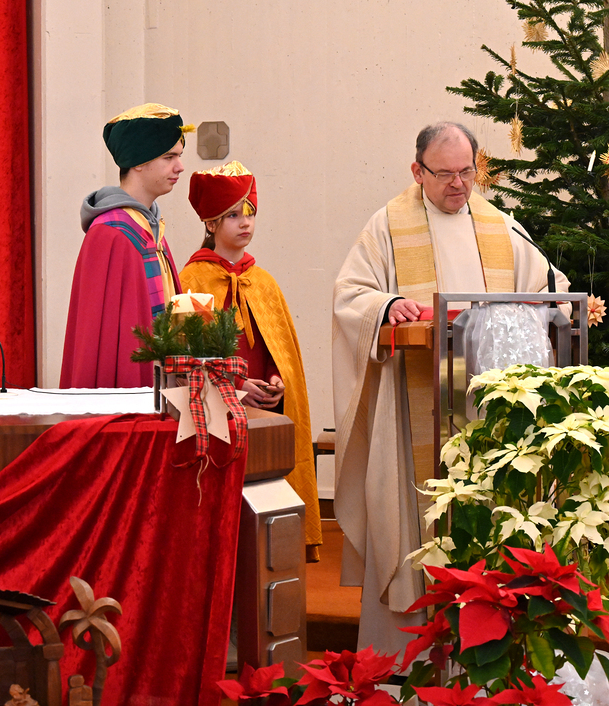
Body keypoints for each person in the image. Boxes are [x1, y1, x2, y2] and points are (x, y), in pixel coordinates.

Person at [333, 122, 570, 653]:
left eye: (467, 171)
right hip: (417, 400)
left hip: (486, 408)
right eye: (445, 174)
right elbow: (350, 293)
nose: (459, 184)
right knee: (417, 515)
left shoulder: (500, 227)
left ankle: (490, 642)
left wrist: (550, 308)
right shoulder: (388, 226)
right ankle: (410, 652)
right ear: (417, 171)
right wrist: (388, 305)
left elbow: (548, 288)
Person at [179, 161, 321, 562]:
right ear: (210, 222)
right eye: (232, 215)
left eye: (250, 212)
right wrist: (239, 389)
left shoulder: (263, 282)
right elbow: (189, 360)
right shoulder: (191, 282)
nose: (245, 222)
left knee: (263, 518)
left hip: (265, 419)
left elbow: (279, 351)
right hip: (220, 419)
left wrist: (277, 381)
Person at [61, 103, 192, 388]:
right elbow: (101, 341)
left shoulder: (151, 226)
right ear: (138, 161)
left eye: (179, 156)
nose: (180, 167)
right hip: (131, 390)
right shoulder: (110, 233)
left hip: (165, 384)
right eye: (169, 157)